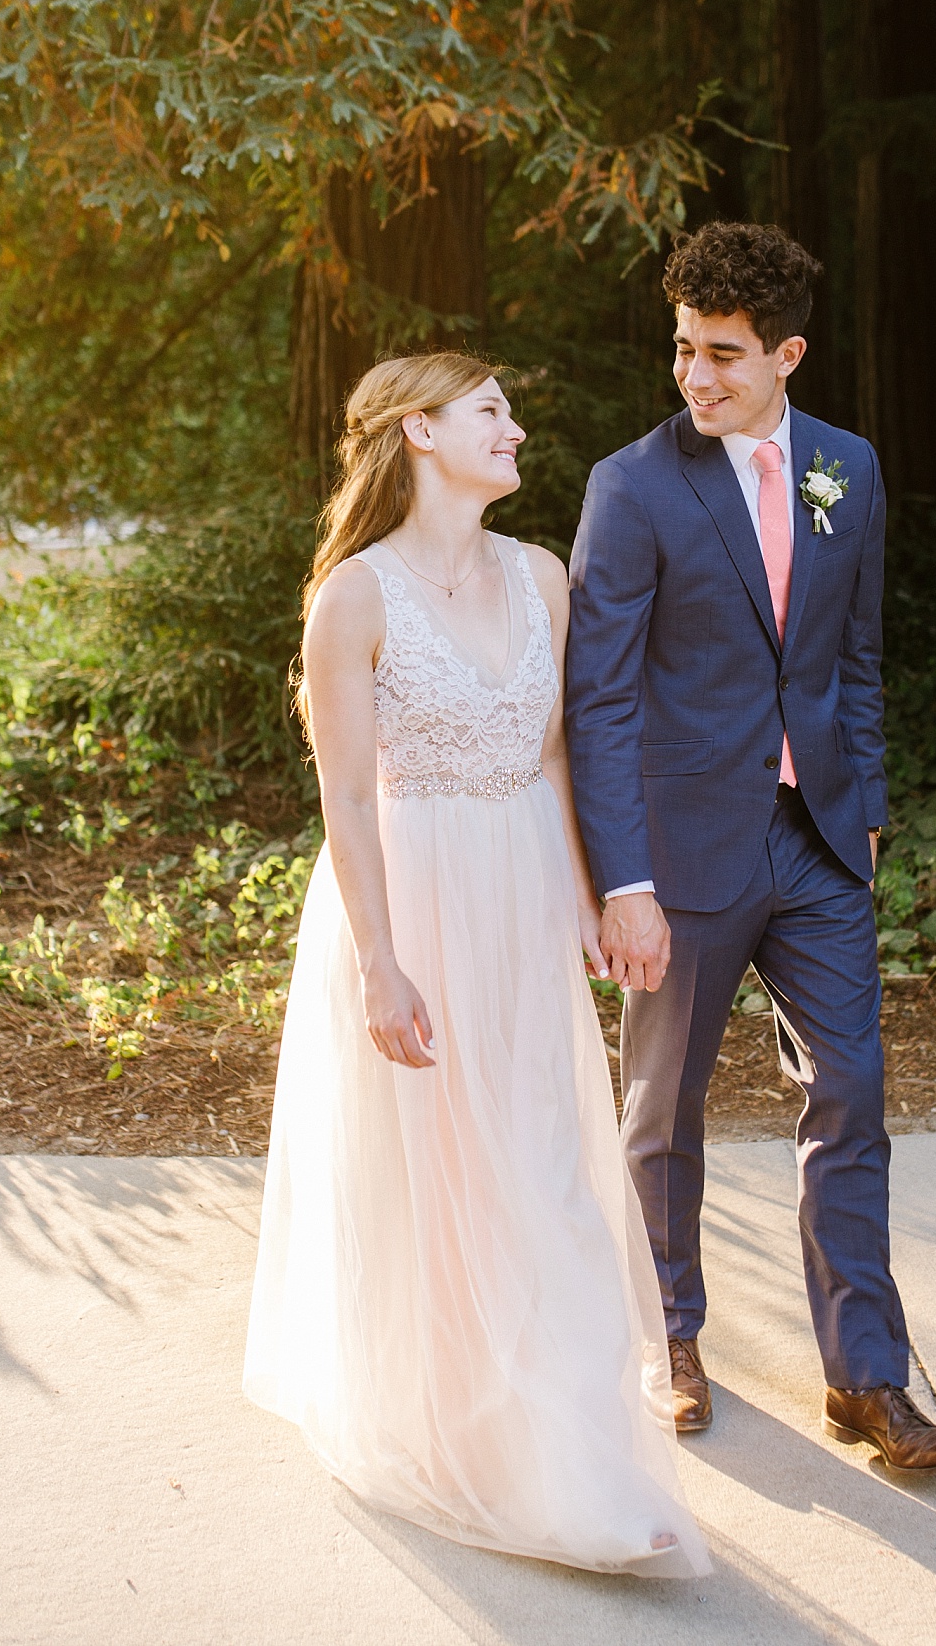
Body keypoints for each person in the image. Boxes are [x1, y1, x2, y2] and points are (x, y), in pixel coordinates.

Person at [246, 352, 707, 1577]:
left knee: (546, 1163)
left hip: (519, 888)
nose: (515, 428)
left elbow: (559, 755)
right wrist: (380, 965)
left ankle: (571, 1443)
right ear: (419, 435)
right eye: (491, 411)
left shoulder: (541, 575)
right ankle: (487, 1446)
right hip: (414, 899)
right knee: (441, 1175)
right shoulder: (354, 598)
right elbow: (345, 790)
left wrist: (590, 901)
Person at [563, 222, 936, 1470]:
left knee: (849, 1095)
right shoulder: (632, 486)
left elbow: (855, 659)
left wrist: (872, 810)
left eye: (725, 355)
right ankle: (669, 1337)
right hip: (680, 855)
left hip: (822, 847)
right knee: (664, 1108)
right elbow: (600, 697)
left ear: (787, 353)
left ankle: (866, 1382)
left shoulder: (847, 466)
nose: (695, 377)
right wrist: (620, 880)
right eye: (682, 348)